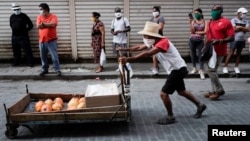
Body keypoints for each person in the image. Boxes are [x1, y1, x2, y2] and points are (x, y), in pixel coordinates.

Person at [117, 22, 206, 125]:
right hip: (177, 69)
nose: (144, 37)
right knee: (181, 91)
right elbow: (139, 47)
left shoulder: (163, 42)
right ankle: (200, 105)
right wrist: (124, 49)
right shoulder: (154, 42)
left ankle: (170, 116)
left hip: (177, 70)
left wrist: (129, 59)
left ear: (152, 36)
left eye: (146, 35)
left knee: (163, 94)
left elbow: (148, 53)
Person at [203, 5, 234, 100]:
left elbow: (231, 37)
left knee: (210, 70)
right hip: (210, 50)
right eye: (211, 10)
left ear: (220, 11)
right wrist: (204, 46)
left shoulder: (226, 22)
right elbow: (208, 36)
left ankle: (219, 90)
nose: (212, 12)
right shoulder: (211, 21)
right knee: (212, 71)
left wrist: (221, 41)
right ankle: (215, 90)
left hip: (219, 51)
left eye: (215, 10)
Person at [36, 3, 61, 76]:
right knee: (43, 57)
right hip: (42, 40)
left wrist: (43, 24)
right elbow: (38, 26)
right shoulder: (39, 17)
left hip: (51, 40)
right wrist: (48, 24)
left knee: (54, 56)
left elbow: (54, 24)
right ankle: (44, 69)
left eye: (41, 9)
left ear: (45, 9)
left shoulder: (53, 16)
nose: (40, 11)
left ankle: (57, 69)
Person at [223, 7, 249, 74]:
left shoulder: (246, 21)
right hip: (234, 39)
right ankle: (225, 67)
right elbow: (234, 30)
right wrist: (243, 28)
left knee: (239, 54)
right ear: (239, 13)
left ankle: (236, 67)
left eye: (245, 13)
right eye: (243, 13)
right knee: (231, 53)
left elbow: (248, 29)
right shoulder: (233, 20)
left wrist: (239, 27)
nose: (244, 14)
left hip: (242, 39)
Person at [9, 3, 34, 67]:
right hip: (14, 37)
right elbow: (11, 25)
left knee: (27, 50)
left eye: (17, 9)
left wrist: (25, 31)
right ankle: (16, 62)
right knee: (16, 51)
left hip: (23, 37)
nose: (16, 11)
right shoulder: (12, 16)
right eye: (15, 10)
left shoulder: (24, 16)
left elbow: (31, 25)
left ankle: (30, 63)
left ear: (20, 9)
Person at [111, 7, 132, 73]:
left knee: (124, 54)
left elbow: (129, 28)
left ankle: (126, 67)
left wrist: (121, 31)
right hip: (115, 40)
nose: (118, 13)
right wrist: (113, 33)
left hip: (123, 40)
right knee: (118, 55)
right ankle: (120, 66)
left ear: (121, 12)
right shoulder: (113, 20)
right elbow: (111, 30)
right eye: (116, 12)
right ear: (114, 13)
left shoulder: (124, 19)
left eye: (119, 11)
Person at [188, 8, 207, 80]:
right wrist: (190, 23)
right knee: (193, 54)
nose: (196, 14)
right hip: (192, 40)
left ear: (201, 13)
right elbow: (192, 31)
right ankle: (194, 68)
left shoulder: (205, 22)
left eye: (197, 13)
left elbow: (205, 32)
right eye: (195, 13)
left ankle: (201, 70)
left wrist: (196, 32)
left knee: (201, 55)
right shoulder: (193, 21)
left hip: (200, 41)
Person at [149, 6, 165, 75]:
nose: (154, 12)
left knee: (155, 53)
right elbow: (148, 27)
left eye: (155, 11)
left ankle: (155, 68)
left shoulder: (161, 18)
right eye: (153, 11)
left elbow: (160, 28)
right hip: (153, 37)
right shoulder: (152, 18)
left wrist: (153, 28)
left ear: (158, 11)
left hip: (158, 38)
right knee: (154, 53)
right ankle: (155, 67)